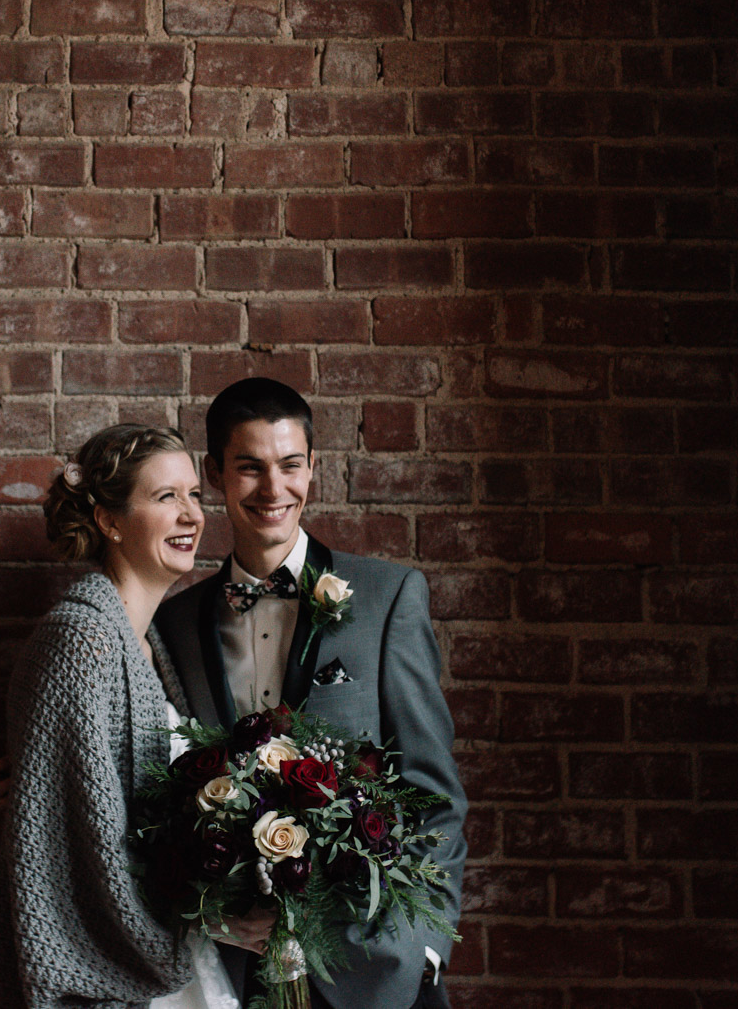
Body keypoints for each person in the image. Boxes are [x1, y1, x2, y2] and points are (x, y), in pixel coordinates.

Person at [154, 378, 468, 1009]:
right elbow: (153, 790)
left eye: (290, 465)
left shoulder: (387, 598)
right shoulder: (173, 626)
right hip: (232, 975)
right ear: (215, 474)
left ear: (312, 468)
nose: (274, 490)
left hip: (376, 973)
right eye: (249, 468)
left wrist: (422, 949)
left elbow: (434, 793)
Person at [0, 424, 248, 1009]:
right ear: (109, 521)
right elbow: (73, 854)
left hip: (174, 963)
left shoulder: (153, 644)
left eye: (194, 494)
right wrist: (212, 924)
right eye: (165, 497)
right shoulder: (81, 641)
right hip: (121, 975)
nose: (191, 515)